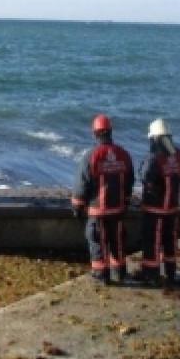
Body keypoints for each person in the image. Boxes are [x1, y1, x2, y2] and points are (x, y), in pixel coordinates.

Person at [71, 115, 135, 285]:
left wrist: (77, 206)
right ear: (111, 131)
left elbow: (82, 184)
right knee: (118, 242)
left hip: (98, 211)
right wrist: (126, 202)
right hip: (118, 210)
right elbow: (129, 181)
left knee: (98, 242)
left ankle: (101, 275)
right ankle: (120, 272)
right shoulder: (124, 155)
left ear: (95, 133)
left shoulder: (90, 156)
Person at [137, 118, 180, 287]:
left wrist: (155, 184)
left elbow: (144, 177)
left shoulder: (153, 158)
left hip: (154, 210)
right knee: (170, 243)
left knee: (153, 243)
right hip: (172, 209)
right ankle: (170, 274)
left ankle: (151, 275)